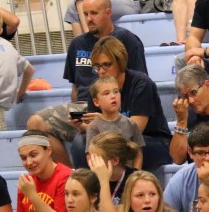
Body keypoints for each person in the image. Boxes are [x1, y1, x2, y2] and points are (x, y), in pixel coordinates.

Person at [28, 0, 147, 166]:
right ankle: (68, 176)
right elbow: (75, 88)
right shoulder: (77, 43)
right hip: (83, 107)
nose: (89, 19)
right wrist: (76, 117)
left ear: (108, 13)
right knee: (36, 122)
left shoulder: (127, 39)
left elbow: (137, 82)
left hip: (114, 105)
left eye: (94, 13)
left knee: (82, 141)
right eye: (85, 14)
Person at [67, 36, 171, 169]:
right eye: (97, 66)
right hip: (113, 139)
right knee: (80, 142)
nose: (101, 71)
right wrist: (81, 125)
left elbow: (135, 130)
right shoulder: (97, 88)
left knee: (128, 145)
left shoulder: (141, 84)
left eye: (107, 64)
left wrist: (103, 123)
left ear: (120, 62)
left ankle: (126, 179)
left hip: (152, 140)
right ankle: (92, 181)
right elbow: (97, 131)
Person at [83, 75, 146, 168]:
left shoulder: (131, 124)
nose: (113, 96)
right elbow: (91, 156)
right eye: (106, 93)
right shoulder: (93, 127)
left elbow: (138, 154)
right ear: (96, 102)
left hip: (128, 173)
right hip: (105, 172)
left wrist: (135, 173)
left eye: (116, 91)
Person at [15, 131, 71, 212]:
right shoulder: (26, 182)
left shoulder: (66, 177)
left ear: (48, 150)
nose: (29, 162)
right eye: (23, 158)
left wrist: (32, 195)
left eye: (33, 155)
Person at [86, 131, 140, 212]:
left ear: (115, 160)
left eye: (96, 158)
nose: (90, 163)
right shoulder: (89, 180)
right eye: (89, 156)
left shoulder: (136, 181)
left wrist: (103, 181)